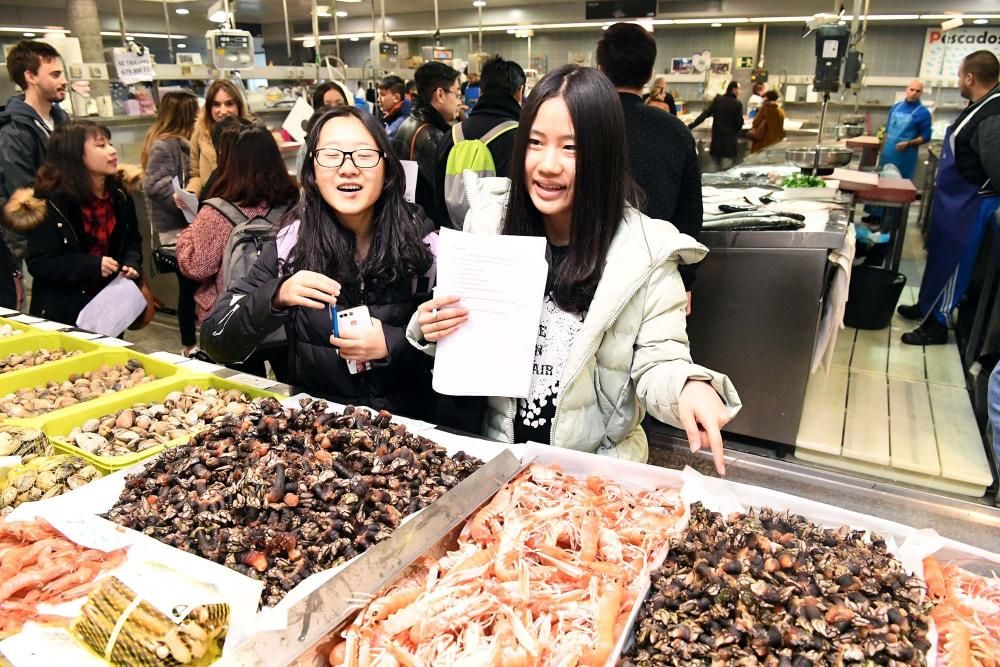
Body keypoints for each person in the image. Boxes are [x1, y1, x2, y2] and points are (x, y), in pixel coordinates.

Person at [410, 65, 741, 473]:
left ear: (604, 154)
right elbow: (458, 331)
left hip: (593, 476)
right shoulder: (489, 224)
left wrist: (688, 387)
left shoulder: (645, 253)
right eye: (535, 142)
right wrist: (430, 326)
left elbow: (660, 359)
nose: (548, 165)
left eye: (571, 147)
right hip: (497, 465)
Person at [201, 106, 437, 418]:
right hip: (323, 436)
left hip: (411, 442)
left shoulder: (425, 246)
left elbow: (471, 353)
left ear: (387, 168)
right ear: (312, 170)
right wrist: (277, 294)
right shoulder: (292, 246)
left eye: (364, 154)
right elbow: (216, 339)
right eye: (331, 155)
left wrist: (396, 343)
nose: (348, 168)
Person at [177, 121, 298, 379]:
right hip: (286, 319)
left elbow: (196, 266)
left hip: (234, 321)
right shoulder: (294, 205)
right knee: (297, 394)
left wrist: (187, 234)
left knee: (246, 398)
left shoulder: (217, 212)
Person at [596, 22, 703, 309]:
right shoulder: (676, 131)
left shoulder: (583, 122)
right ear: (650, 73)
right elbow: (690, 213)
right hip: (655, 277)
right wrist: (686, 280)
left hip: (587, 274)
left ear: (600, 68)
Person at [899, 52, 1000, 345]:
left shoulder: (992, 115)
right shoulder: (979, 106)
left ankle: (937, 324)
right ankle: (926, 306)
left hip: (970, 206)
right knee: (941, 258)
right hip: (953, 203)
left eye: (959, 75)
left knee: (956, 262)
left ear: (970, 77)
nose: (959, 81)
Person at [3, 121, 142, 326]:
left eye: (110, 144)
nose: (112, 151)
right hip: (63, 313)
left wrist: (131, 263)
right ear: (75, 155)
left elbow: (132, 240)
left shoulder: (119, 193)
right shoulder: (47, 201)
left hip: (108, 308)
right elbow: (40, 263)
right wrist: (91, 265)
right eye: (101, 145)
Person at [0, 40, 69, 309]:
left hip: (70, 242)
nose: (63, 81)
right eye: (54, 75)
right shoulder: (14, 132)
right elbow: (20, 198)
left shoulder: (62, 121)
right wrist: (16, 264)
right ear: (30, 77)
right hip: (41, 248)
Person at [434, 56, 525, 228]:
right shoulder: (521, 138)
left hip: (455, 240)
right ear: (519, 92)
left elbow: (438, 199)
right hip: (501, 242)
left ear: (482, 91)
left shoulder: (450, 136)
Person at [141, 90, 200, 356]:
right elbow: (153, 184)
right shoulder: (167, 144)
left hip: (183, 226)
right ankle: (189, 343)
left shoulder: (172, 141)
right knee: (188, 287)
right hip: (178, 228)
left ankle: (191, 340)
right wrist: (181, 197)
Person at [395, 61, 463, 220]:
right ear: (440, 94)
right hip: (427, 225)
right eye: (457, 94)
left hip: (407, 218)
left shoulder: (410, 123)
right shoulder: (431, 136)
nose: (459, 101)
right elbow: (447, 194)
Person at [862, 80, 933, 224]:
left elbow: (926, 137)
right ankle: (875, 216)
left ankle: (891, 220)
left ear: (921, 93)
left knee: (897, 187)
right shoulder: (896, 107)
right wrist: (881, 146)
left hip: (905, 156)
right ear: (906, 90)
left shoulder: (922, 113)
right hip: (887, 153)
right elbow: (887, 130)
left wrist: (909, 143)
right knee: (880, 183)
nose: (914, 93)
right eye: (911, 89)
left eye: (917, 91)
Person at [186, 80, 253, 197]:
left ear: (239, 106)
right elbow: (195, 174)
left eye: (229, 104)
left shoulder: (252, 134)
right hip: (211, 203)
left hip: (243, 205)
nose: (222, 111)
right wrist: (190, 193)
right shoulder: (199, 134)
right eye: (216, 104)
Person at [689, 81, 744, 171]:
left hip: (716, 142)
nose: (739, 91)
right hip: (729, 144)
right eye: (738, 89)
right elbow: (739, 123)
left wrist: (691, 125)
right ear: (733, 89)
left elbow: (706, 113)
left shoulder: (718, 100)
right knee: (726, 172)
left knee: (714, 169)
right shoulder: (737, 104)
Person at [377, 75, 409, 139]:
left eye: (382, 95)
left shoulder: (399, 124)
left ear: (396, 98)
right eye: (378, 95)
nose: (378, 99)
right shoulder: (393, 117)